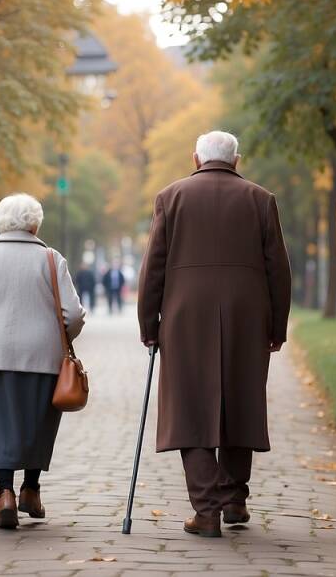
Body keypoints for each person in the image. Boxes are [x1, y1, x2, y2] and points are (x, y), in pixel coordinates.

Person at [137, 131, 292, 538]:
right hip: (247, 315)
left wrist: (148, 325)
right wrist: (277, 327)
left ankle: (207, 510)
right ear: (236, 160)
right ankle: (234, 498)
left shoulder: (170, 197)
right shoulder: (261, 199)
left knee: (190, 406)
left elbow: (153, 265)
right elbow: (278, 268)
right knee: (241, 400)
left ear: (195, 157)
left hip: (186, 316)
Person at [0, 193, 86, 529]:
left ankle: (4, 495)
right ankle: (31, 490)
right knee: (37, 424)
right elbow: (73, 315)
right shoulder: (53, 260)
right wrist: (62, 337)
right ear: (35, 223)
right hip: (42, 356)